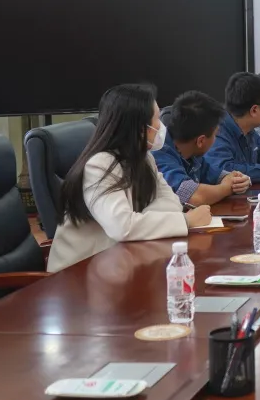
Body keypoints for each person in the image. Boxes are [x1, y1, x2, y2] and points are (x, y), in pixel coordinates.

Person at [47, 84, 212, 273]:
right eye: (156, 119)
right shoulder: (99, 166)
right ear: (140, 128)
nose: (160, 127)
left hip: (116, 262)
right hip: (76, 274)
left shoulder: (145, 158)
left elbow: (171, 201)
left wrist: (140, 221)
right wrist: (185, 221)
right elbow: (122, 227)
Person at [153, 90, 252, 206]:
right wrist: (226, 188)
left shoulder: (192, 154)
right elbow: (193, 197)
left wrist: (236, 180)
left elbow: (216, 175)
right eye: (215, 135)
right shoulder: (159, 153)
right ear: (201, 141)